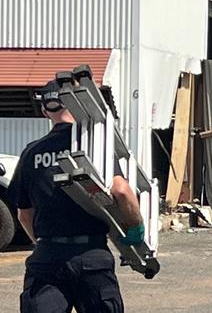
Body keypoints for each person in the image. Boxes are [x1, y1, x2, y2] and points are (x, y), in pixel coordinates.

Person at [8, 80, 145, 312]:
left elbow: (24, 214)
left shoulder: (31, 152)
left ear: (44, 111)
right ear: (77, 105)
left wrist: (44, 243)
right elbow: (121, 190)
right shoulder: (94, 147)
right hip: (91, 257)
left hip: (47, 258)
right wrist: (136, 227)